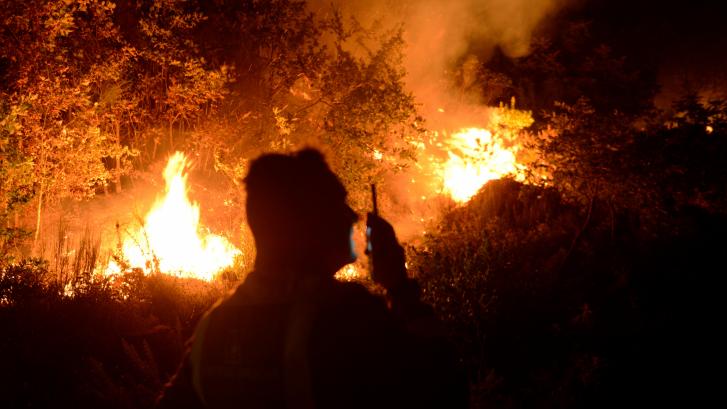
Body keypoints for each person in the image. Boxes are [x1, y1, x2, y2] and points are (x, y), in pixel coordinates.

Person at [156, 149, 467, 409]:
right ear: (308, 224)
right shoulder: (345, 315)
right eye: (338, 204)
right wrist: (399, 287)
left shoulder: (213, 327)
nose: (353, 216)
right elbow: (444, 388)